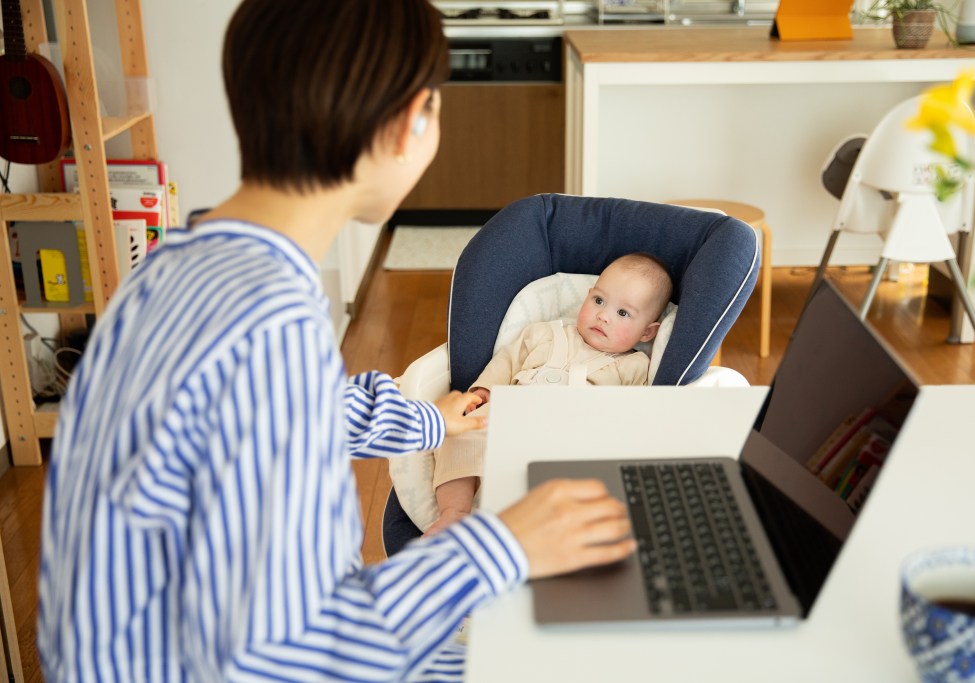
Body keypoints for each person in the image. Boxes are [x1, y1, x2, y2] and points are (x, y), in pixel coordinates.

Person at [35, 1, 636, 681]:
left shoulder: (181, 267)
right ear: (410, 123)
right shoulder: (270, 327)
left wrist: (422, 418)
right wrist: (505, 543)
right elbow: (286, 652)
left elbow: (278, 413)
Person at [423, 253, 673, 536]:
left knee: (580, 474)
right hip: (508, 414)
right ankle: (454, 512)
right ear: (587, 297)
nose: (603, 315)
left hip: (569, 432)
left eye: (623, 313)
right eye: (599, 301)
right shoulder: (544, 333)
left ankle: (536, 520)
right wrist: (484, 391)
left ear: (647, 333)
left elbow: (631, 415)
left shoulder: (635, 367)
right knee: (457, 435)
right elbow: (506, 361)